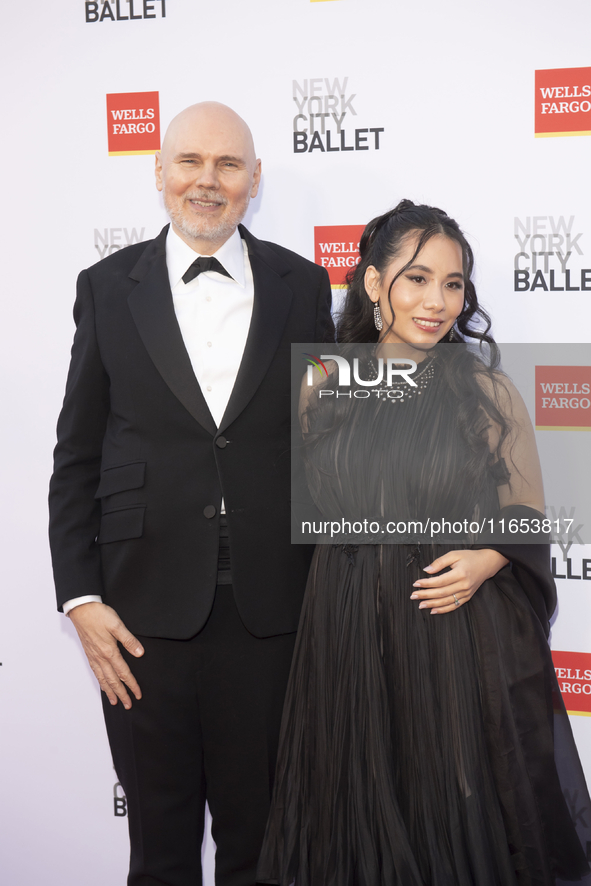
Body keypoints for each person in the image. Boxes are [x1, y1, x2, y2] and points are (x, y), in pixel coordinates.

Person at [257, 200, 591, 884]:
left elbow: (525, 510)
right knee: (354, 814)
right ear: (374, 284)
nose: (436, 300)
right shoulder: (320, 383)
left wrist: (485, 558)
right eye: (416, 278)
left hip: (451, 632)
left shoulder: (484, 389)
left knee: (453, 818)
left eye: (452, 282)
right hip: (345, 629)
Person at [48, 101, 333, 886]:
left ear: (254, 181)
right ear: (159, 173)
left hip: (273, 618)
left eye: (228, 165)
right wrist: (80, 597)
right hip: (140, 623)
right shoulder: (106, 287)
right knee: (160, 853)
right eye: (189, 162)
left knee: (263, 850)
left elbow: (336, 443)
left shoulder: (303, 285)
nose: (207, 181)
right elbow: (75, 455)